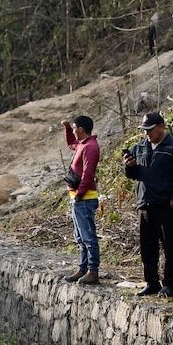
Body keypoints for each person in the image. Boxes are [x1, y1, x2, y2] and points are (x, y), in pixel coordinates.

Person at [123, 112, 173, 297]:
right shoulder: (139, 147)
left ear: (161, 127)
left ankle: (169, 283)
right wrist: (129, 165)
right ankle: (151, 282)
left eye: (150, 129)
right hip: (144, 203)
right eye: (145, 130)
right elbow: (133, 175)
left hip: (165, 204)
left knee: (169, 246)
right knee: (147, 246)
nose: (147, 134)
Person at [62, 116, 101, 285]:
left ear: (81, 129)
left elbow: (88, 173)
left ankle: (93, 271)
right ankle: (83, 269)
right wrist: (67, 129)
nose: (73, 130)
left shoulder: (90, 147)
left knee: (88, 237)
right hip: (78, 197)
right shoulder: (82, 144)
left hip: (84, 198)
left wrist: (80, 193)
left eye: (74, 128)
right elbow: (72, 143)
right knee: (80, 237)